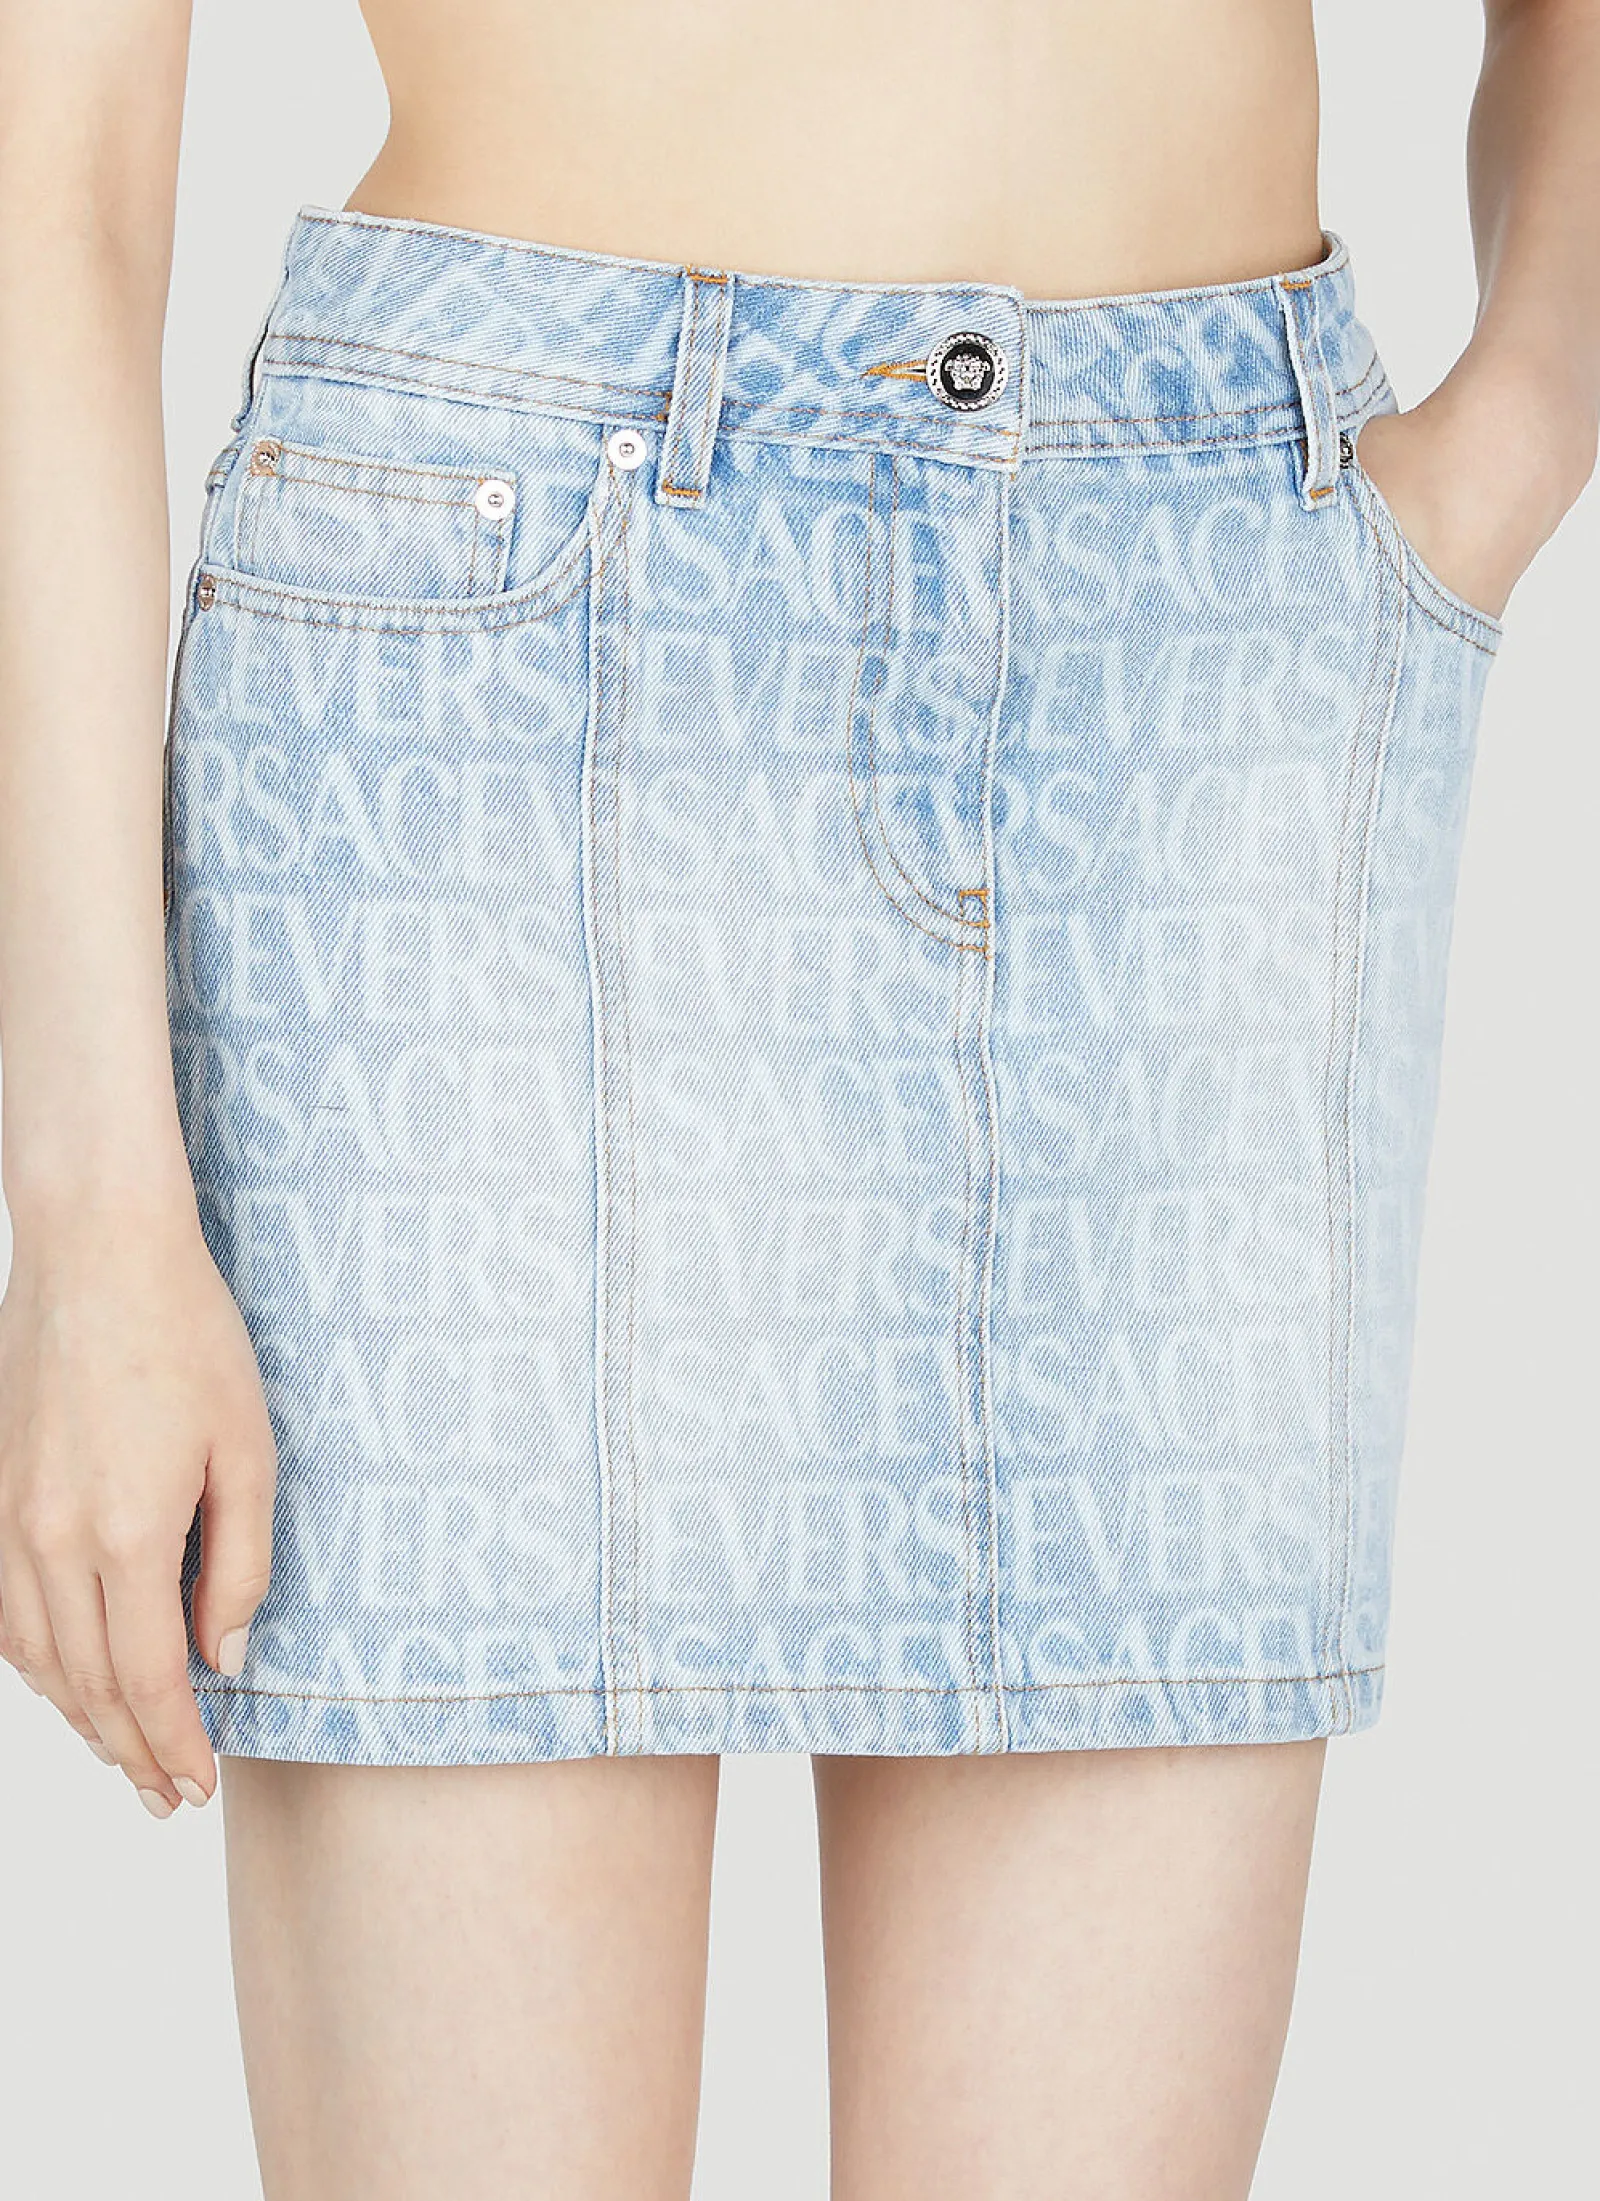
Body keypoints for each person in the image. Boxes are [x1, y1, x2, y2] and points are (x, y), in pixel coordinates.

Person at [0, 2, 1593, 2194]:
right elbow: (49, 189)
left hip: (1197, 656)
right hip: (491, 695)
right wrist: (91, 1204)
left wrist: (1525, 417)